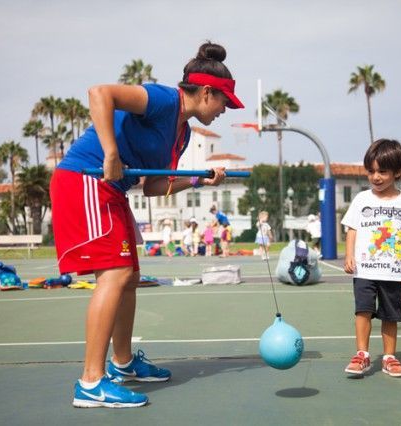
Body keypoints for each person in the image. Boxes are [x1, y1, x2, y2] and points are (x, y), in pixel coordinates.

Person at [50, 41, 243, 408]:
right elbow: (99, 93)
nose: (224, 111)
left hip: (113, 190)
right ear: (205, 92)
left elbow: (155, 186)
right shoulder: (164, 100)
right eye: (224, 103)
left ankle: (122, 364)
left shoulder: (182, 132)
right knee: (115, 275)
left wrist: (200, 178)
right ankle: (91, 382)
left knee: (129, 278)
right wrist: (110, 152)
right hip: (85, 180)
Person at [341, 139, 401, 378]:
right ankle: (362, 354)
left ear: (397, 172)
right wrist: (349, 255)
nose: (375, 177)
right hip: (365, 269)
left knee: (390, 314)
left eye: (382, 171)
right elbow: (352, 229)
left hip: (393, 270)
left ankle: (389, 357)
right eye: (371, 171)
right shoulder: (362, 199)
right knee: (363, 310)